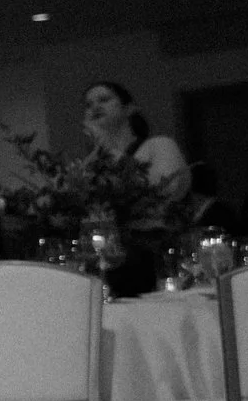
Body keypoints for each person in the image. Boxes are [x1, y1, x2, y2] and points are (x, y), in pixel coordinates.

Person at [82, 80, 191, 294]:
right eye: (88, 104)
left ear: (129, 109)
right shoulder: (90, 163)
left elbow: (164, 190)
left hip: (156, 258)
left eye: (104, 100)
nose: (94, 107)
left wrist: (108, 147)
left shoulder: (159, 145)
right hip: (107, 263)